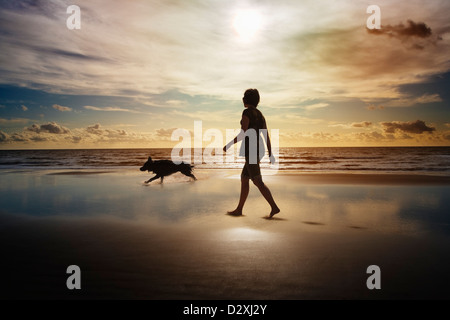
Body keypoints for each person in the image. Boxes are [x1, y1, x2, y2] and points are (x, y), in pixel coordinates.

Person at [223, 88, 280, 218]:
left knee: (257, 181)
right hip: (259, 149)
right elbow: (266, 135)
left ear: (246, 100)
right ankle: (239, 209)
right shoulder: (260, 114)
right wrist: (270, 152)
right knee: (244, 178)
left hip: (252, 150)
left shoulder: (247, 112)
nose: (242, 99)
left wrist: (229, 144)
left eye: (244, 97)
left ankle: (274, 207)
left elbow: (243, 133)